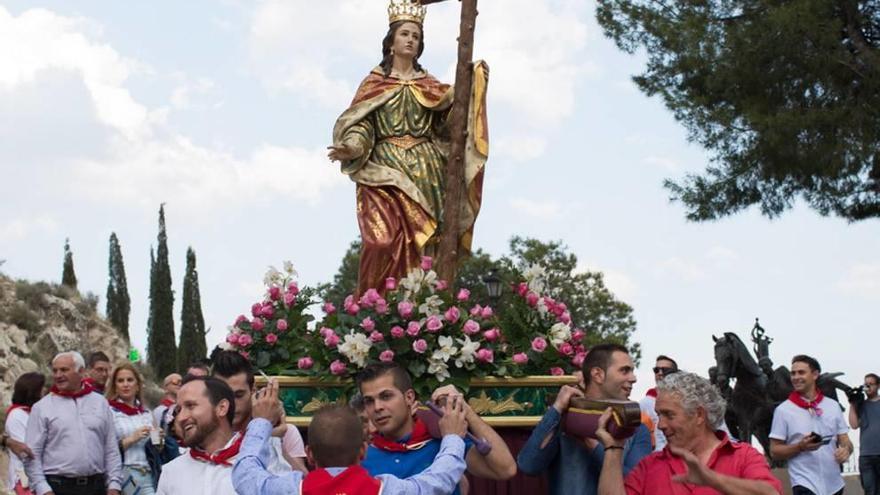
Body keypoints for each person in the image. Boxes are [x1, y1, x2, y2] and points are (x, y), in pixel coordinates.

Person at [328, 0, 489, 295]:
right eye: (405, 34)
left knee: (425, 247)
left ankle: (416, 312)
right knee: (381, 242)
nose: (411, 40)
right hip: (381, 171)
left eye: (416, 36)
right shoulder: (375, 83)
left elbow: (449, 128)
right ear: (391, 41)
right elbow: (362, 124)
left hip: (425, 173)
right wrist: (351, 147)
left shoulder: (430, 85)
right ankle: (373, 307)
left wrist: (473, 84)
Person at [232, 379, 471, 495]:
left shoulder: (290, 490)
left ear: (311, 454)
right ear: (363, 451)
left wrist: (261, 421)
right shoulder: (386, 490)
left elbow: (245, 473)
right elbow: (439, 480)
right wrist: (452, 437)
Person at [596, 371, 782, 495]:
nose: (660, 425)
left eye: (669, 415)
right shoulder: (650, 466)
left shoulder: (743, 456)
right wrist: (613, 448)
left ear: (699, 415)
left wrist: (712, 479)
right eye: (659, 415)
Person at [356, 362, 515, 494]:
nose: (377, 407)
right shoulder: (360, 456)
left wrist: (465, 410)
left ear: (409, 397)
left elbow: (505, 469)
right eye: (369, 401)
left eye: (386, 396)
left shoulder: (445, 441)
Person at [518, 343, 652, 495]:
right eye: (624, 371)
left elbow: (639, 484)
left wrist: (594, 445)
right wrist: (556, 409)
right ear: (597, 374)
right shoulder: (563, 419)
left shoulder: (637, 430)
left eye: (632, 371)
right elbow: (528, 465)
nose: (633, 378)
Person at [25, 351, 123, 495]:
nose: (58, 375)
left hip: (96, 486)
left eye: (64, 370)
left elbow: (110, 447)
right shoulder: (41, 408)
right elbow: (32, 454)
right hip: (58, 488)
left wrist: (114, 485)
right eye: (55, 370)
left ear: (81, 371)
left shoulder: (100, 402)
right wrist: (43, 490)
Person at [211, 351, 307, 474]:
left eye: (239, 395)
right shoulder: (207, 434)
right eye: (223, 396)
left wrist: (273, 438)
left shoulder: (285, 432)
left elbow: (301, 482)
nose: (231, 404)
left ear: (253, 391)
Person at [769, 354, 853, 495]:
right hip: (804, 483)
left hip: (835, 485)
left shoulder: (832, 406)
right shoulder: (783, 410)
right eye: (793, 373)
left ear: (815, 375)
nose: (795, 377)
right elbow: (774, 451)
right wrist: (800, 447)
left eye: (801, 372)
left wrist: (846, 450)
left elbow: (844, 440)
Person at [155, 376, 239, 495]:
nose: (180, 418)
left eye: (190, 406)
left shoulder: (259, 464)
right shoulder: (171, 472)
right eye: (178, 410)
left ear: (222, 408)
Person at [105, 363, 158, 495]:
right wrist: (131, 439)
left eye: (130, 380)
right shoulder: (108, 411)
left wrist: (159, 439)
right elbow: (104, 449)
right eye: (120, 381)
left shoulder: (147, 413)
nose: (125, 384)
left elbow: (157, 447)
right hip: (124, 474)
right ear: (115, 386)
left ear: (137, 385)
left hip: (150, 473)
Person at [5, 372, 45, 495]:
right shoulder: (16, 415)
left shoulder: (33, 412)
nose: (45, 392)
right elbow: (25, 449)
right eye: (41, 388)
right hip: (26, 477)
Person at [848, 373, 880, 494]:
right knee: (869, 490)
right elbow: (854, 425)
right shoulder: (861, 404)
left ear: (878, 386)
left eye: (871, 384)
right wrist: (852, 403)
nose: (868, 387)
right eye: (866, 384)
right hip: (866, 455)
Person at [639, 355, 678, 451]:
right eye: (656, 370)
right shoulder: (644, 403)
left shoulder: (686, 401)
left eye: (664, 370)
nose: (659, 373)